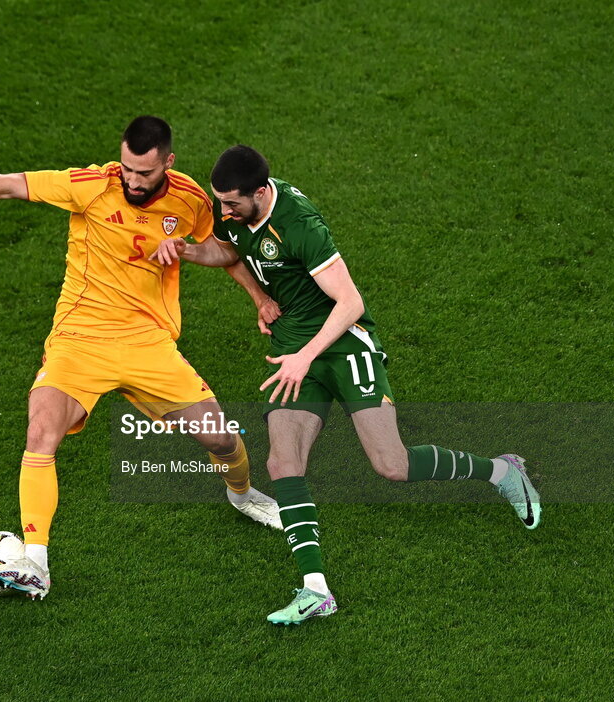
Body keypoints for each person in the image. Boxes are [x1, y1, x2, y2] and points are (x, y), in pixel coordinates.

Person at [0, 119, 283, 600]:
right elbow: (11, 185)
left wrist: (254, 295)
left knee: (220, 438)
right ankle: (36, 563)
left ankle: (242, 496)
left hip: (147, 342)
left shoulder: (192, 199)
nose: (132, 181)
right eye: (128, 169)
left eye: (145, 173)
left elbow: (226, 253)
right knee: (40, 433)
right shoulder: (91, 185)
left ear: (168, 163)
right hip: (80, 339)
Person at [150, 145, 542, 625]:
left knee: (392, 465)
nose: (222, 211)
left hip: (340, 344)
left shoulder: (300, 226)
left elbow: (350, 301)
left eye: (231, 204)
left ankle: (503, 472)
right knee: (282, 460)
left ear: (260, 193)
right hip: (293, 344)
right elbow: (229, 249)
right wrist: (188, 251)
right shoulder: (235, 209)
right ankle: (317, 590)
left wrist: (305, 358)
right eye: (219, 202)